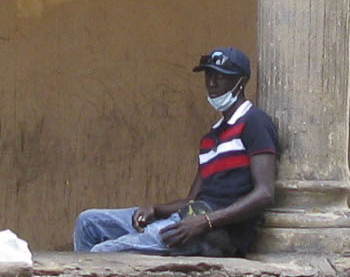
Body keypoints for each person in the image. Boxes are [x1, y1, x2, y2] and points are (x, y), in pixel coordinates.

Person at [72, 47, 279, 256]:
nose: (212, 83)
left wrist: (205, 222)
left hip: (215, 233)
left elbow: (265, 194)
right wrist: (155, 209)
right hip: (187, 219)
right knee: (87, 222)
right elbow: (191, 201)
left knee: (102, 253)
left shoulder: (254, 122)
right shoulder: (210, 138)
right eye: (209, 76)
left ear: (241, 82)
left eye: (221, 77)